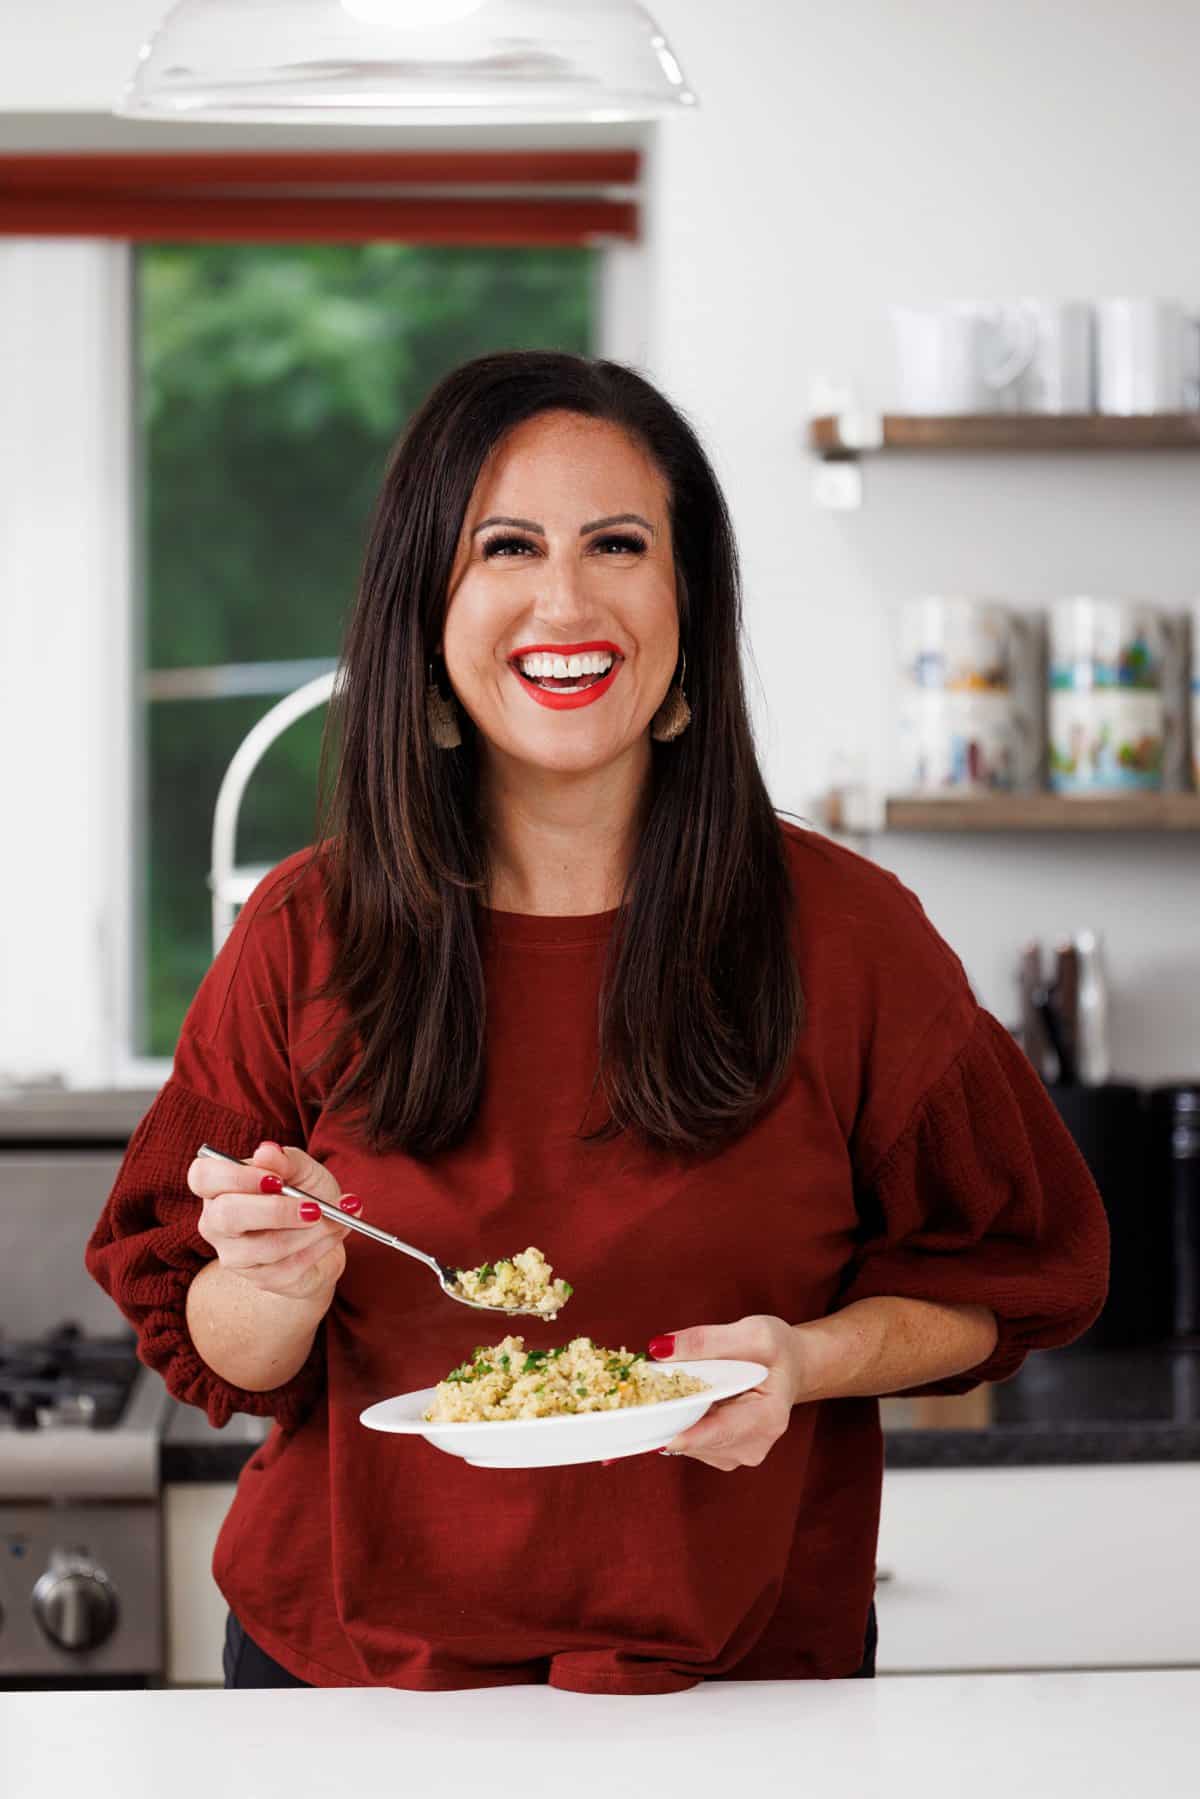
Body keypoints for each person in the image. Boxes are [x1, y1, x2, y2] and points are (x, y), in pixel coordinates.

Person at [86, 350, 1109, 1695]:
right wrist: (274, 1282)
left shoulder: (851, 937)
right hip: (347, 1689)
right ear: (425, 606)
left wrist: (806, 1362)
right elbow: (217, 1345)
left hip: (743, 1686)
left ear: (686, 597)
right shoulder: (306, 928)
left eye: (617, 543)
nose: (563, 599)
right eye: (506, 545)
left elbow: (1018, 1276)